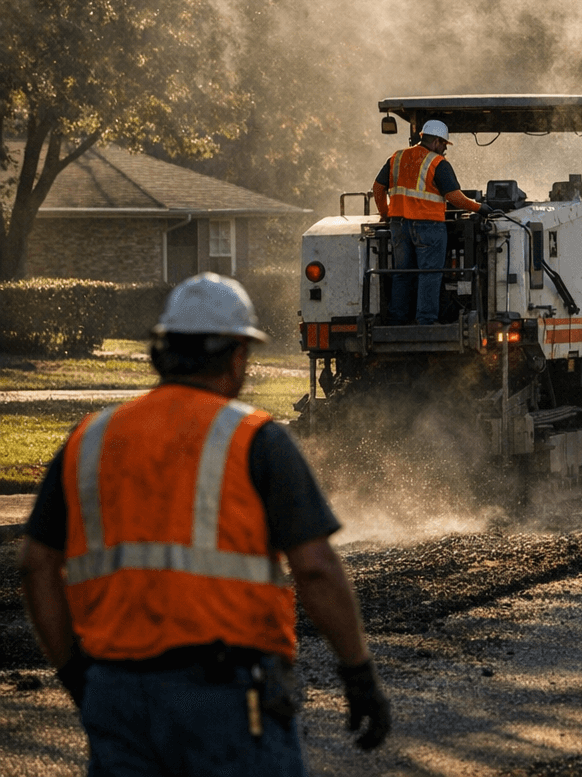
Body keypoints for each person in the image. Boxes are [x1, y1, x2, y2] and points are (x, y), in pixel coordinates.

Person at [17, 274, 391, 774]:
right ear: (238, 357)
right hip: (226, 694)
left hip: (115, 690)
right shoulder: (256, 440)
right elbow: (317, 569)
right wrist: (358, 672)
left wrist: (74, 672)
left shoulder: (90, 439)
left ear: (159, 352)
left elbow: (36, 566)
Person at [372, 119, 483, 326]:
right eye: (443, 145)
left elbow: (378, 188)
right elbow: (454, 197)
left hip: (399, 226)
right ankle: (425, 321)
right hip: (429, 227)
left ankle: (398, 319)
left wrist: (385, 214)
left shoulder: (397, 157)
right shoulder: (437, 162)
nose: (444, 150)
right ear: (436, 141)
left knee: (402, 273)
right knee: (429, 274)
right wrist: (479, 207)